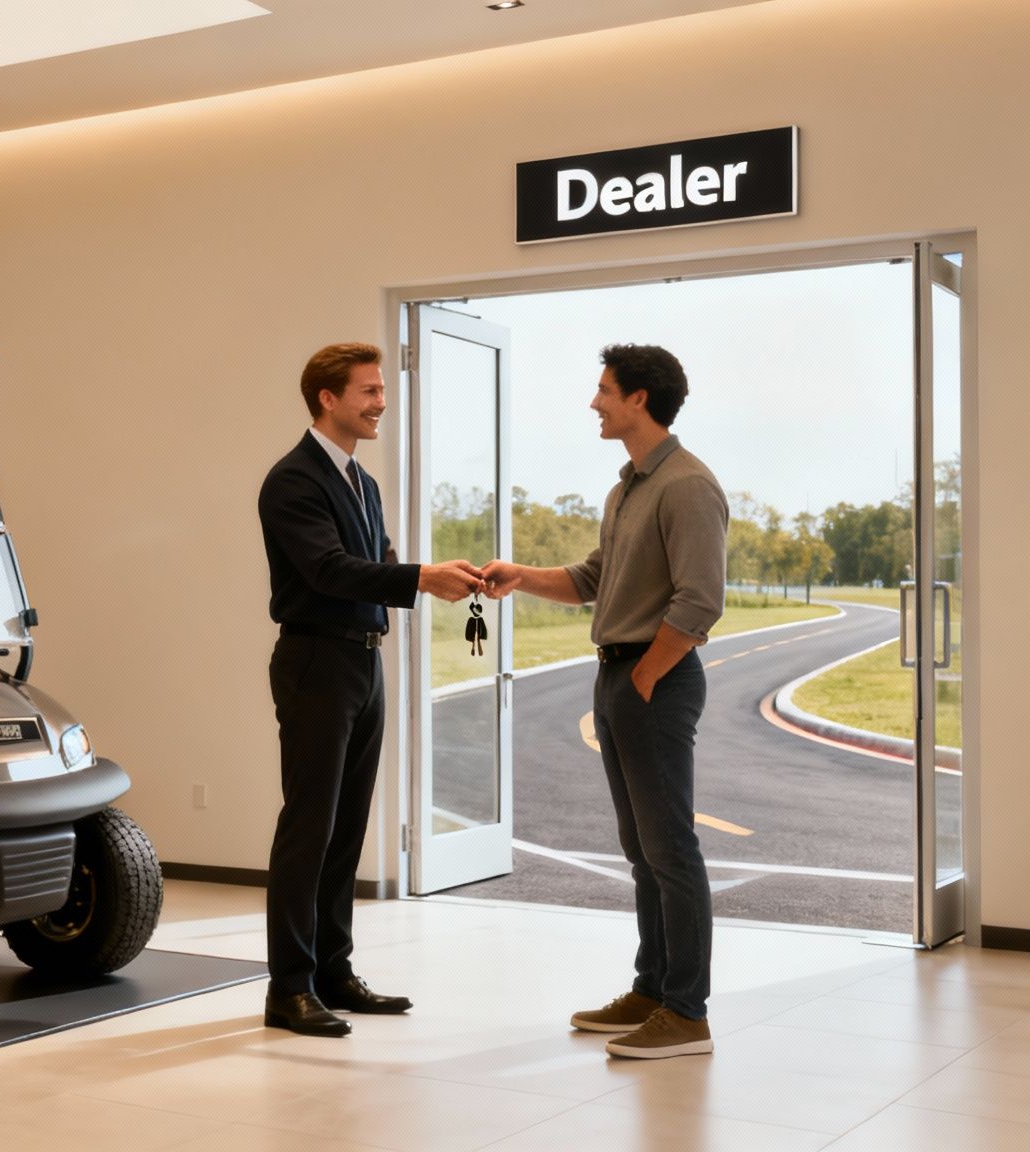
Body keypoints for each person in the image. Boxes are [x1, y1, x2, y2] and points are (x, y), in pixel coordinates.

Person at [480, 344, 728, 1059]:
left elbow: (700, 601)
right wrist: (520, 575)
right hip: (620, 677)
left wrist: (645, 677)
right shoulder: (626, 490)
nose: (594, 403)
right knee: (642, 850)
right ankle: (652, 990)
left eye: (604, 390)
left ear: (639, 399)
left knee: (670, 849)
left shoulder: (687, 485)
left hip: (654, 679)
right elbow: (594, 578)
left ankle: (687, 1013)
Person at [258, 342, 482, 1037]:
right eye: (369, 391)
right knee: (309, 828)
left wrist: (432, 578)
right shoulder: (292, 480)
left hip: (362, 662)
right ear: (328, 398)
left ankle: (333, 972)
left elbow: (376, 562)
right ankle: (289, 989)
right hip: (315, 662)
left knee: (347, 825)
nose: (381, 402)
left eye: (382, 390)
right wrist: (420, 578)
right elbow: (328, 570)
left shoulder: (363, 481)